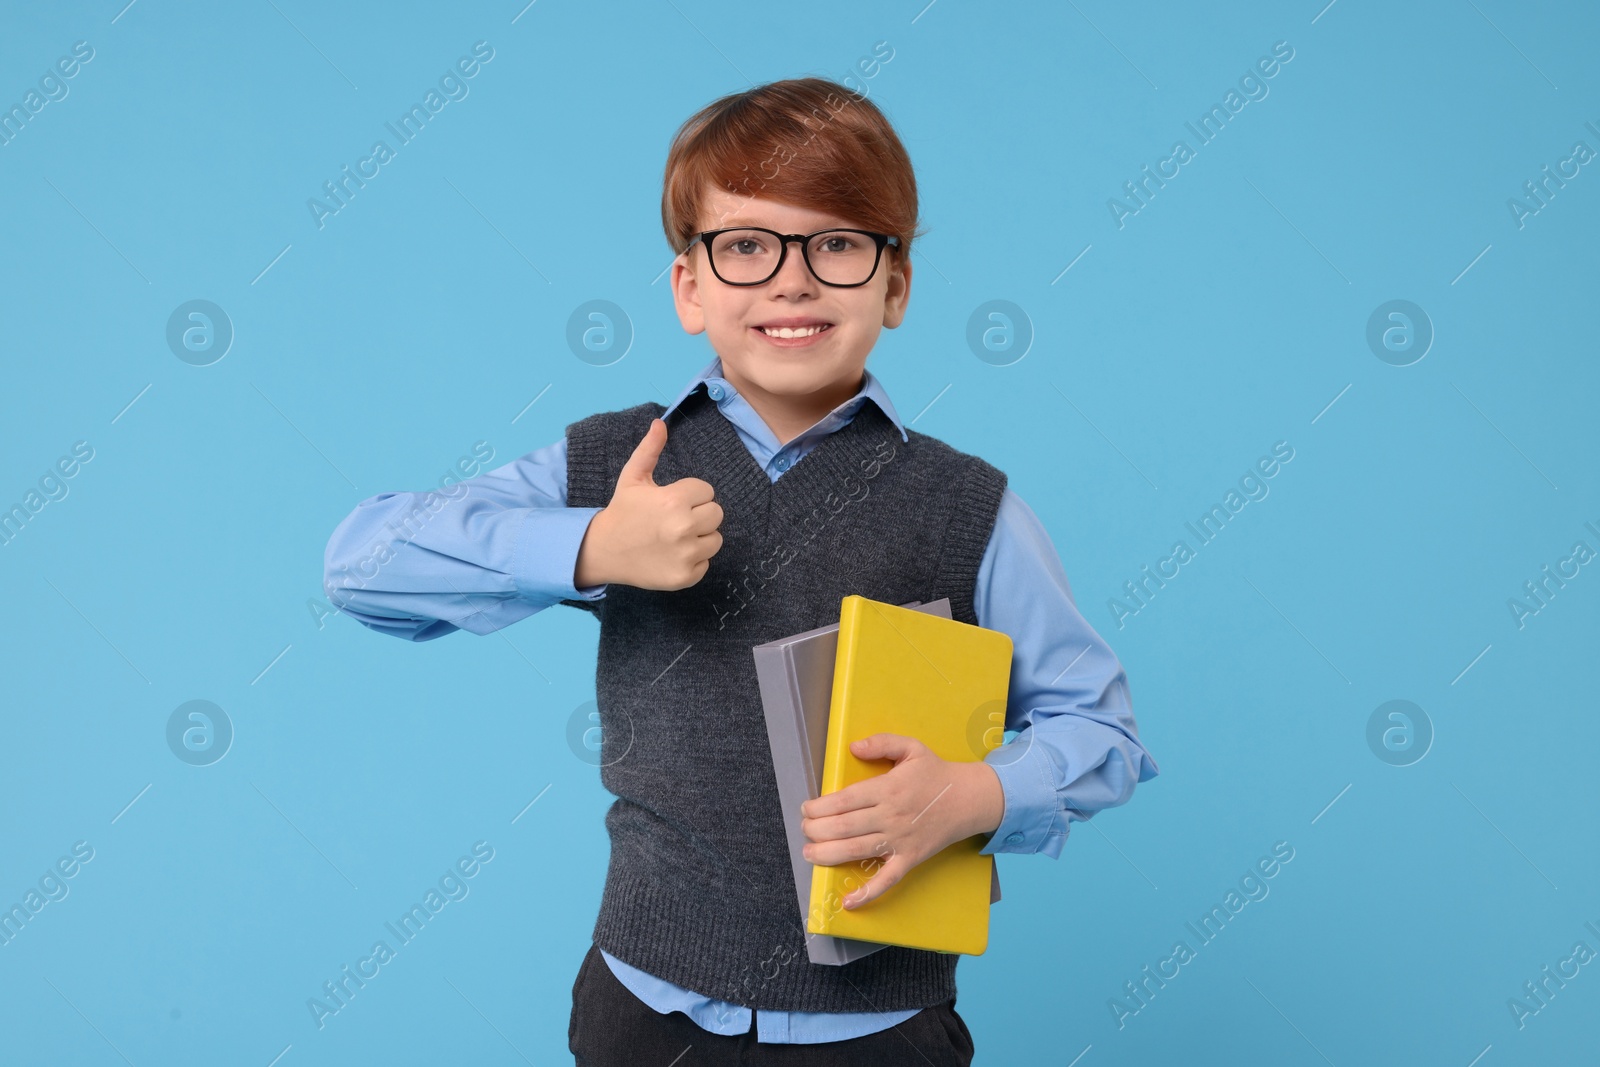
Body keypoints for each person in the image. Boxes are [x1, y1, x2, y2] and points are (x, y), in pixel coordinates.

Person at [322, 75, 1159, 1066]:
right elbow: (360, 561)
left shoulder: (969, 508)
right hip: (642, 1010)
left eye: (838, 243)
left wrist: (981, 795)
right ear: (689, 287)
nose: (791, 280)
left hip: (878, 1031)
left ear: (894, 285)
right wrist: (590, 545)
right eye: (747, 244)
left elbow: (1100, 725)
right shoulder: (616, 466)